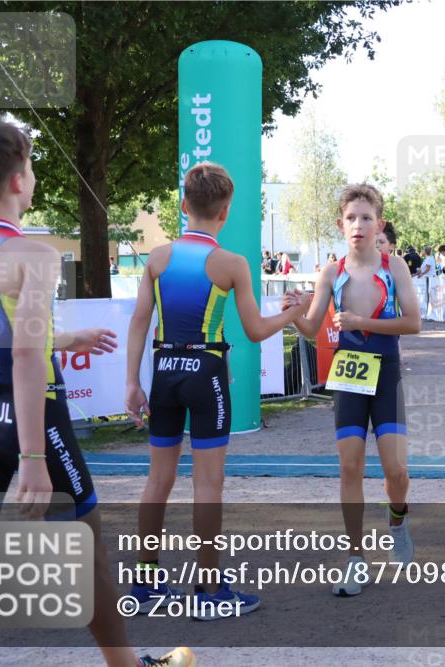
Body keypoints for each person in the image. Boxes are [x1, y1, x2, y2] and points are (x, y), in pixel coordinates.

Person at [0, 112, 194, 667]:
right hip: (36, 425)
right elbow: (24, 352)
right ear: (19, 180)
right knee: (89, 556)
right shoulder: (36, 254)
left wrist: (65, 335)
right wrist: (30, 456)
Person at [124, 163, 308, 620]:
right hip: (206, 372)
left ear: (184, 206)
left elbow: (140, 322)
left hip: (164, 369)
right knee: (208, 484)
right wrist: (293, 313)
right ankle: (207, 590)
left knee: (157, 481)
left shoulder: (158, 258)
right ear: (224, 213)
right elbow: (255, 329)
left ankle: (146, 582)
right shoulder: (232, 264)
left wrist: (131, 381)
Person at [294, 183, 421, 596]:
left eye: (367, 218)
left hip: (385, 373)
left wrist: (362, 324)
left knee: (395, 471)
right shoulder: (330, 272)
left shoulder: (394, 266)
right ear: (340, 224)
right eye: (351, 218)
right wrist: (296, 311)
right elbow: (313, 328)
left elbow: (413, 323)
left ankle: (397, 520)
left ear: (379, 224)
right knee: (349, 466)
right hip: (349, 375)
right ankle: (354, 560)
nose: (359, 225)